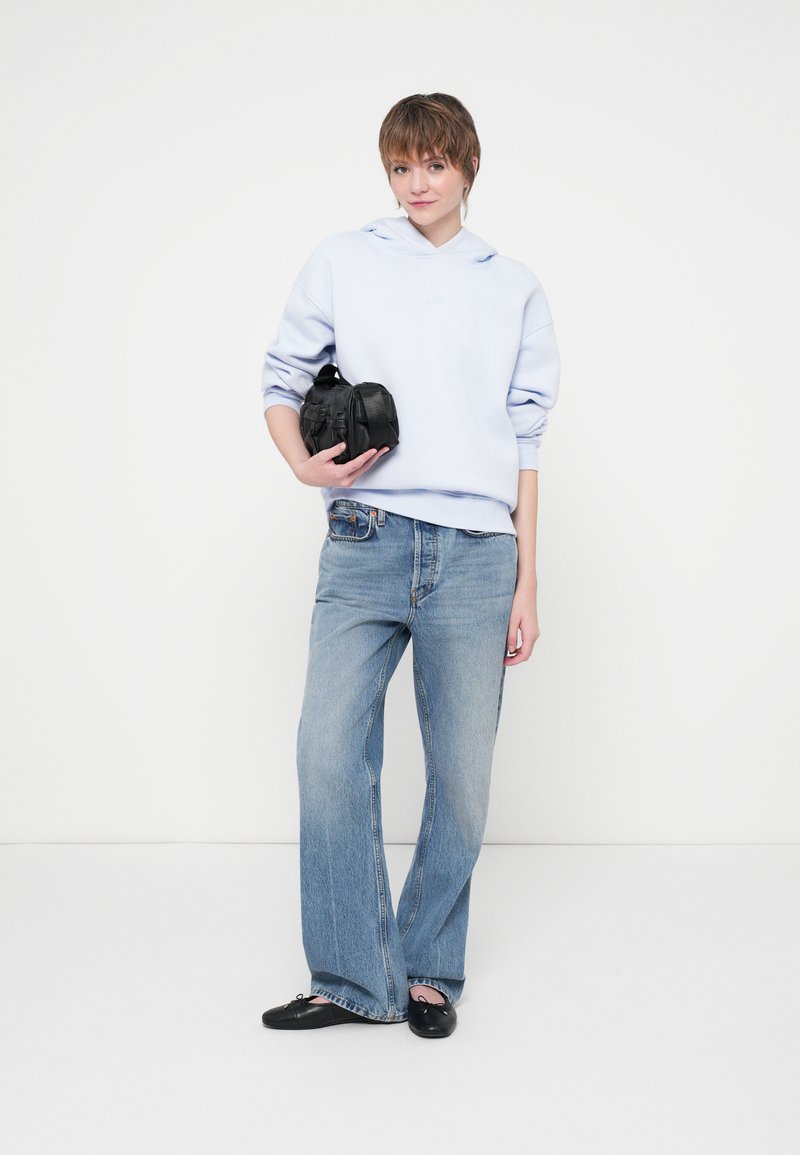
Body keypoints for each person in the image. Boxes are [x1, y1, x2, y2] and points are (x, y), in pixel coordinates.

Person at [259, 93, 560, 1038]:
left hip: (477, 556)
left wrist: (528, 576)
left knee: (462, 777)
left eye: (434, 164)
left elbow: (526, 439)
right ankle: (355, 975)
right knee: (325, 751)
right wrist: (302, 464)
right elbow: (280, 379)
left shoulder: (512, 286)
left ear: (467, 167)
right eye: (401, 166)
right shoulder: (345, 259)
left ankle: (428, 968)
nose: (417, 183)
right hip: (365, 537)